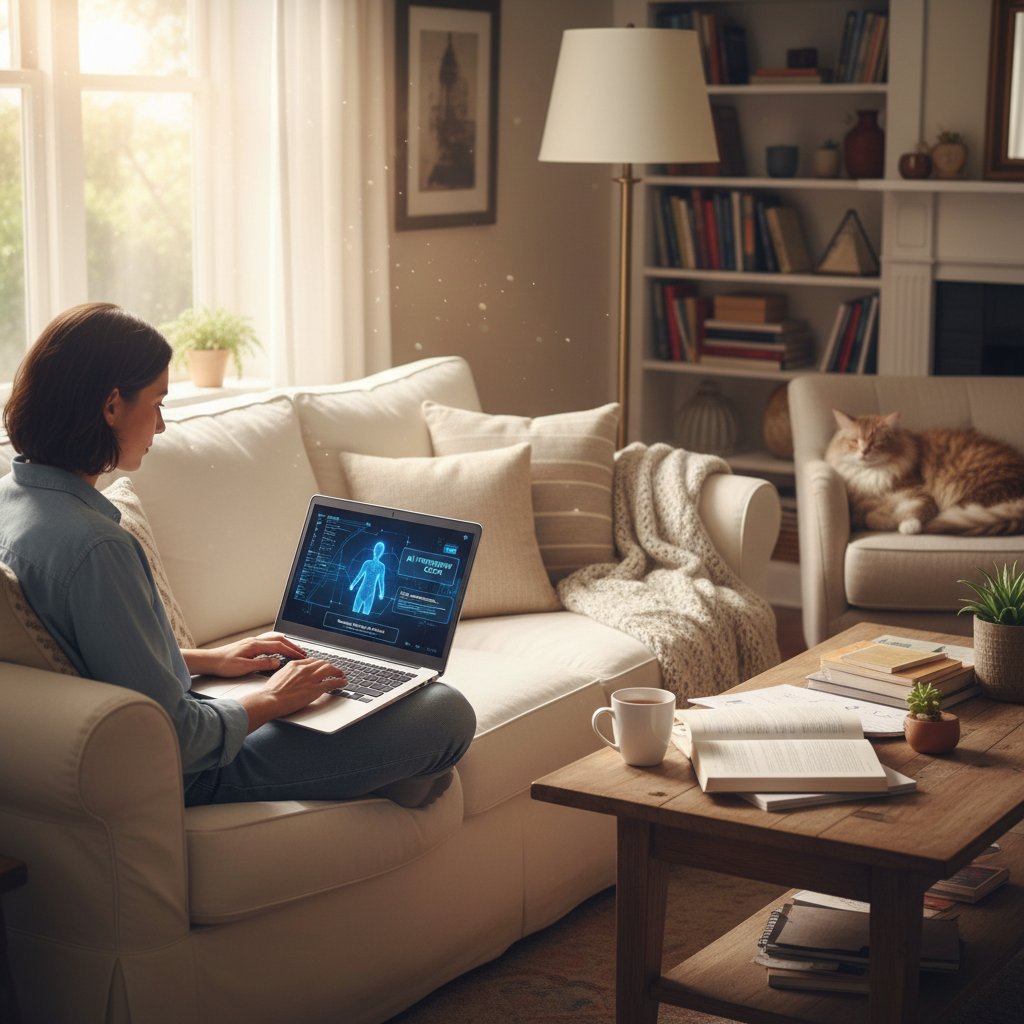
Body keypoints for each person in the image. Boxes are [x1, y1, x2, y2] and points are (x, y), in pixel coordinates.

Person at [0, 302, 475, 808]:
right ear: (112, 406)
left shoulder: (13, 501)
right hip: (196, 767)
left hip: (171, 729)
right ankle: (400, 777)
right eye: (158, 402)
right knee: (444, 712)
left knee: (384, 711)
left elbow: (98, 658)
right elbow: (178, 738)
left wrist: (210, 660)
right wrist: (272, 700)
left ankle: (388, 775)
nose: (160, 426)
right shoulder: (96, 548)